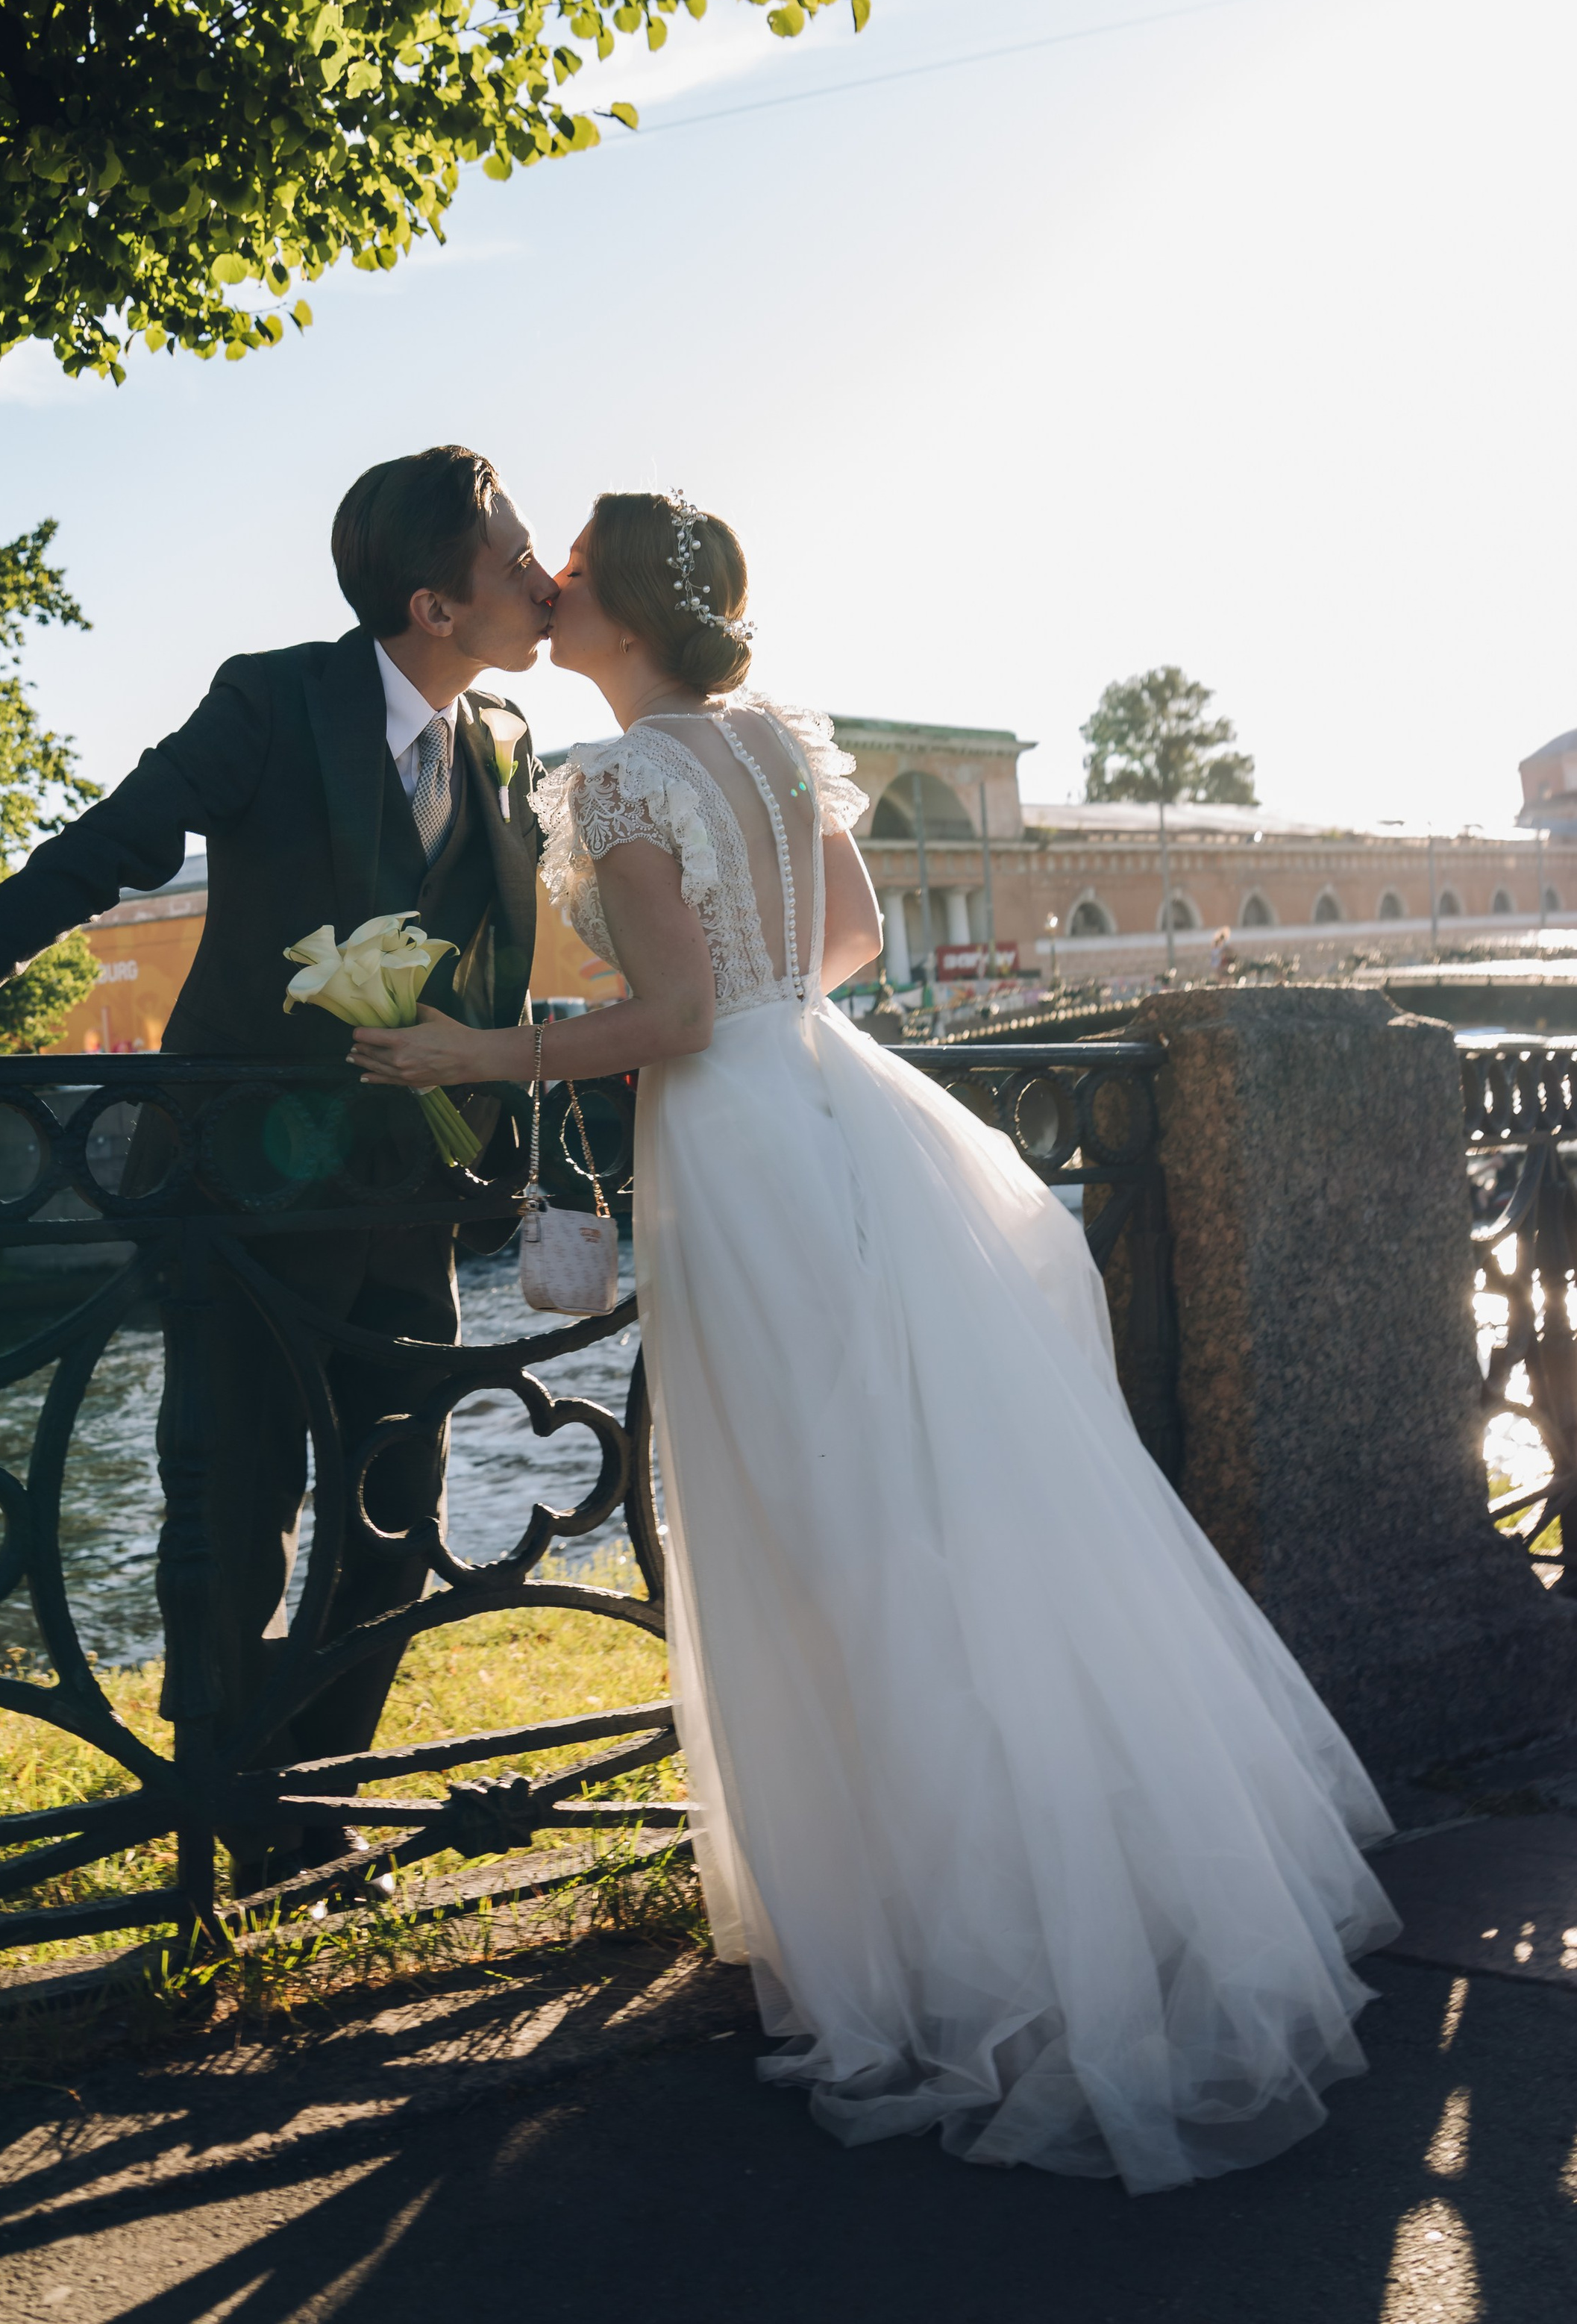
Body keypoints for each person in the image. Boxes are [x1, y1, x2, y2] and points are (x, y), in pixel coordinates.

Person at [351, 488, 1399, 2193]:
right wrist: (759, 1002)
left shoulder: (611, 778)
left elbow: (678, 1017)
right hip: (845, 1104)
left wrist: (485, 1056)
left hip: (740, 1143)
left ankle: (915, 1951)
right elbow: (838, 943)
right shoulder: (771, 742)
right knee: (941, 1509)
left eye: (563, 573)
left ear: (611, 610)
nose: (541, 583)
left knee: (817, 1531)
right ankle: (1048, 1901)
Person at [0, 445, 556, 1888]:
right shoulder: (272, 698)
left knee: (396, 1511)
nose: (546, 582)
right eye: (518, 562)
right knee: (231, 1516)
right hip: (238, 1190)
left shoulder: (504, 737)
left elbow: (498, 966)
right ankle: (221, 1813)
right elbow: (98, 855)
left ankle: (318, 1800)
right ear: (434, 602)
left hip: (404, 1202)